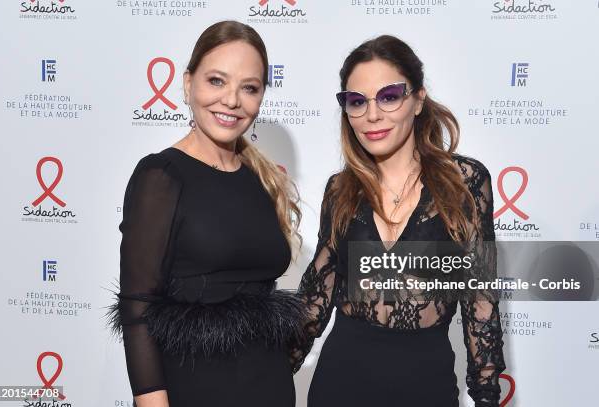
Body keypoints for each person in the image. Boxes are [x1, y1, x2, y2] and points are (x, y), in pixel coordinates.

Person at [292, 35, 506, 407]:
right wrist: (266, 373)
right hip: (340, 383)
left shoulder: (466, 182)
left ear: (418, 99)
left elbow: (480, 298)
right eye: (357, 102)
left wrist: (486, 396)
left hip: (426, 386)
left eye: (389, 96)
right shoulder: (340, 189)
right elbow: (318, 294)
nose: (372, 115)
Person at [107, 20, 305, 407]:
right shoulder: (161, 176)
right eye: (217, 81)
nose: (232, 100)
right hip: (197, 389)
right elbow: (137, 307)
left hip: (270, 387)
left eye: (249, 88)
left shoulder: (260, 177)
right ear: (187, 84)